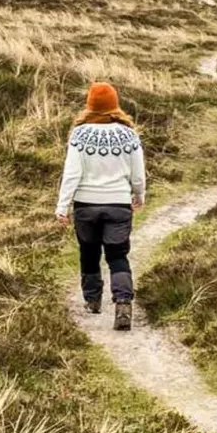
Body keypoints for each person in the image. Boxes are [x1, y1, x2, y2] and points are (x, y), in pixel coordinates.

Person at [56, 82, 146, 331]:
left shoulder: (79, 134)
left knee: (89, 252)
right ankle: (123, 302)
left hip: (86, 205)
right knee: (118, 256)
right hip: (118, 204)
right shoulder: (129, 135)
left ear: (90, 105)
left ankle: (93, 300)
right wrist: (139, 195)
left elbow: (71, 174)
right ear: (115, 105)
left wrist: (62, 206)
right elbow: (138, 174)